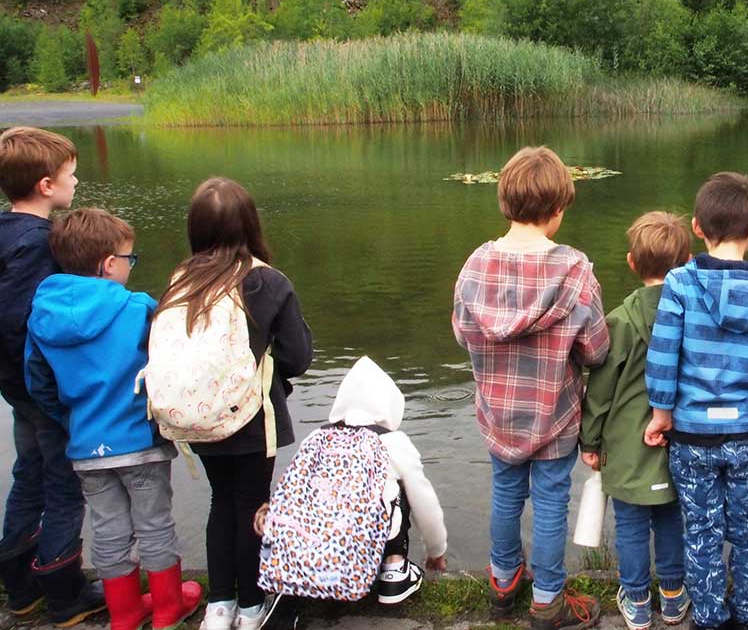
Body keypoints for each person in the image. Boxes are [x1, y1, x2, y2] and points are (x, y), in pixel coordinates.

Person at [453, 146, 610, 630]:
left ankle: (502, 583)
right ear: (558, 209)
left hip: (499, 413)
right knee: (550, 501)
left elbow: (463, 333)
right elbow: (597, 349)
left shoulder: (475, 265)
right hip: (555, 415)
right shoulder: (575, 269)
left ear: (504, 202)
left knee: (504, 492)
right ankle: (547, 601)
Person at [26, 208, 203, 630]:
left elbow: (38, 383)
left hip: (86, 445)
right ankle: (166, 609)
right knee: (155, 523)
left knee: (108, 530)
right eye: (129, 259)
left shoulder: (42, 315)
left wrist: (71, 420)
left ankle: (123, 614)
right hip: (139, 440)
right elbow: (169, 362)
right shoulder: (137, 308)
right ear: (109, 265)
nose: (130, 266)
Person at [156, 178, 313, 630]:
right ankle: (250, 608)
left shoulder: (182, 280)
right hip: (250, 418)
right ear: (251, 224)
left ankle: (218, 607)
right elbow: (299, 357)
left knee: (220, 501)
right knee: (252, 507)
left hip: (195, 416)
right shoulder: (266, 281)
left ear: (196, 228)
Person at [644, 172, 748, 630]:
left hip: (691, 435)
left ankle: (710, 616)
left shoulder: (680, 284)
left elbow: (664, 355)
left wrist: (660, 414)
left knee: (702, 532)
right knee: (747, 531)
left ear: (696, 227)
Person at [254, 356, 447, 628]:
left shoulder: (316, 437)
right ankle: (394, 570)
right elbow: (424, 501)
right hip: (355, 559)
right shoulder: (391, 441)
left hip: (306, 548)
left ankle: (294, 585)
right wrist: (436, 550)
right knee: (400, 487)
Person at [0, 127, 104, 627]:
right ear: (46, 185)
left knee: (28, 477)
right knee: (62, 484)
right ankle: (64, 592)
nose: (76, 180)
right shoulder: (38, 245)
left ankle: (18, 585)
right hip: (39, 392)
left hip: (16, 390)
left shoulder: (4, 232)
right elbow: (31, 324)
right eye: (69, 174)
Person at [580, 212, 692, 630]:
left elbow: (600, 393)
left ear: (631, 262)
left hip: (627, 446)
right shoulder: (691, 315)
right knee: (670, 519)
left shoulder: (620, 321)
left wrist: (589, 442)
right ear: (687, 261)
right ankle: (675, 595)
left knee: (629, 525)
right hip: (680, 438)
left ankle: (638, 600)